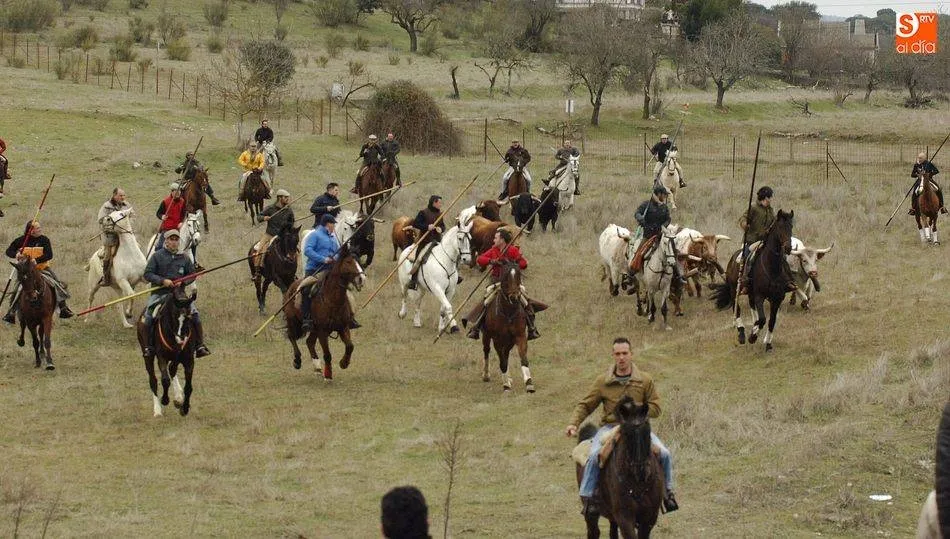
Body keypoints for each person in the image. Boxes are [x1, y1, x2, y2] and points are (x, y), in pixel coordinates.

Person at [565, 337, 678, 513]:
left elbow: (656, 407)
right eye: (617, 354)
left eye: (625, 353)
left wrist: (638, 414)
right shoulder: (603, 381)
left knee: (664, 453)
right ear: (613, 355)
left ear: (631, 354)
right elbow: (585, 405)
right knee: (595, 456)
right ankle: (590, 498)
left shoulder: (645, 380)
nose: (621, 357)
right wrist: (573, 424)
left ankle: (668, 494)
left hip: (638, 429)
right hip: (610, 429)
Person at [462, 228, 546, 340]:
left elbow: (524, 263)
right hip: (496, 281)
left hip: (512, 282)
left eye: (496, 238)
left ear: (502, 239)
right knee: (487, 301)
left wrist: (513, 264)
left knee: (524, 300)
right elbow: (480, 259)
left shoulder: (512, 250)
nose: (494, 240)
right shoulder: (493, 250)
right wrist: (492, 261)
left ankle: (531, 328)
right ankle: (476, 328)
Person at [141, 230, 210, 358]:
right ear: (166, 241)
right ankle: (148, 347)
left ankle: (199, 345)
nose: (174, 242)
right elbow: (147, 274)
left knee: (195, 315)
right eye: (171, 239)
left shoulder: (184, 257)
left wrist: (183, 281)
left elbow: (192, 275)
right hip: (160, 293)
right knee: (149, 316)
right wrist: (163, 281)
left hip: (180, 296)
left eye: (176, 239)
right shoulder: (157, 256)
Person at [3, 220, 75, 323]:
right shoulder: (21, 241)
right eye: (38, 228)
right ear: (31, 231)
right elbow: (8, 251)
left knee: (57, 284)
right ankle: (11, 313)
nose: (40, 229)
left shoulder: (44, 240)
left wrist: (36, 260)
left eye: (39, 227)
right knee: (17, 289)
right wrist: (16, 254)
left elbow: (49, 255)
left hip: (42, 269)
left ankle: (63, 308)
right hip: (26, 273)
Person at [298, 214, 360, 331]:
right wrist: (323, 259)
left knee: (344, 289)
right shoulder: (315, 235)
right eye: (333, 224)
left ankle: (350, 317)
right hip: (314, 270)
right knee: (306, 289)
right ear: (328, 224)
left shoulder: (332, 238)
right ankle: (307, 319)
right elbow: (307, 250)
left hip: (330, 270)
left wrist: (335, 258)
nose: (334, 227)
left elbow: (337, 254)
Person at [737, 186, 795, 294]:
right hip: (752, 240)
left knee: (781, 256)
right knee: (748, 257)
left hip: (766, 241)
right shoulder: (753, 208)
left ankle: (788, 280)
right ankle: (745, 283)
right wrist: (744, 224)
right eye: (770, 197)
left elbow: (774, 222)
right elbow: (743, 218)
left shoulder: (770, 210)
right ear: (765, 197)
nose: (771, 199)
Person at [252, 189, 295, 278]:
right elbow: (258, 217)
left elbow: (292, 222)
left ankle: (292, 271)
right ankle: (257, 272)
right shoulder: (270, 208)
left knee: (293, 250)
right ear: (279, 198)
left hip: (282, 236)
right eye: (285, 197)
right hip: (269, 234)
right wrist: (264, 218)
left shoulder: (289, 210)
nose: (287, 199)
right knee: (260, 251)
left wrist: (288, 225)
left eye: (288, 197)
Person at [406, 195, 444, 291]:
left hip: (437, 241)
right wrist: (427, 227)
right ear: (434, 203)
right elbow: (416, 224)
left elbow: (443, 226)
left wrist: (441, 229)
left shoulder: (440, 214)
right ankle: (413, 281)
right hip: (425, 241)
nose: (441, 204)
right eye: (439, 202)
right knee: (419, 258)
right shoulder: (423, 213)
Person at [96, 188, 133, 287]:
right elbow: (101, 220)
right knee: (109, 254)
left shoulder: (126, 205)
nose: (123, 197)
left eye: (124, 195)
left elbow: (132, 216)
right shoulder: (106, 206)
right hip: (110, 236)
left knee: (136, 247)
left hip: (125, 235)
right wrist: (112, 226)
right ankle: (106, 277)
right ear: (114, 195)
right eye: (120, 195)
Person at [155, 183, 186, 254]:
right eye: (176, 191)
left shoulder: (182, 201)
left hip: (178, 228)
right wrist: (162, 216)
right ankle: (157, 259)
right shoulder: (165, 201)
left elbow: (183, 214)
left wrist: (182, 222)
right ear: (172, 192)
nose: (178, 193)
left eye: (179, 191)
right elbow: (158, 213)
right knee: (159, 247)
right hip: (167, 228)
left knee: (188, 245)